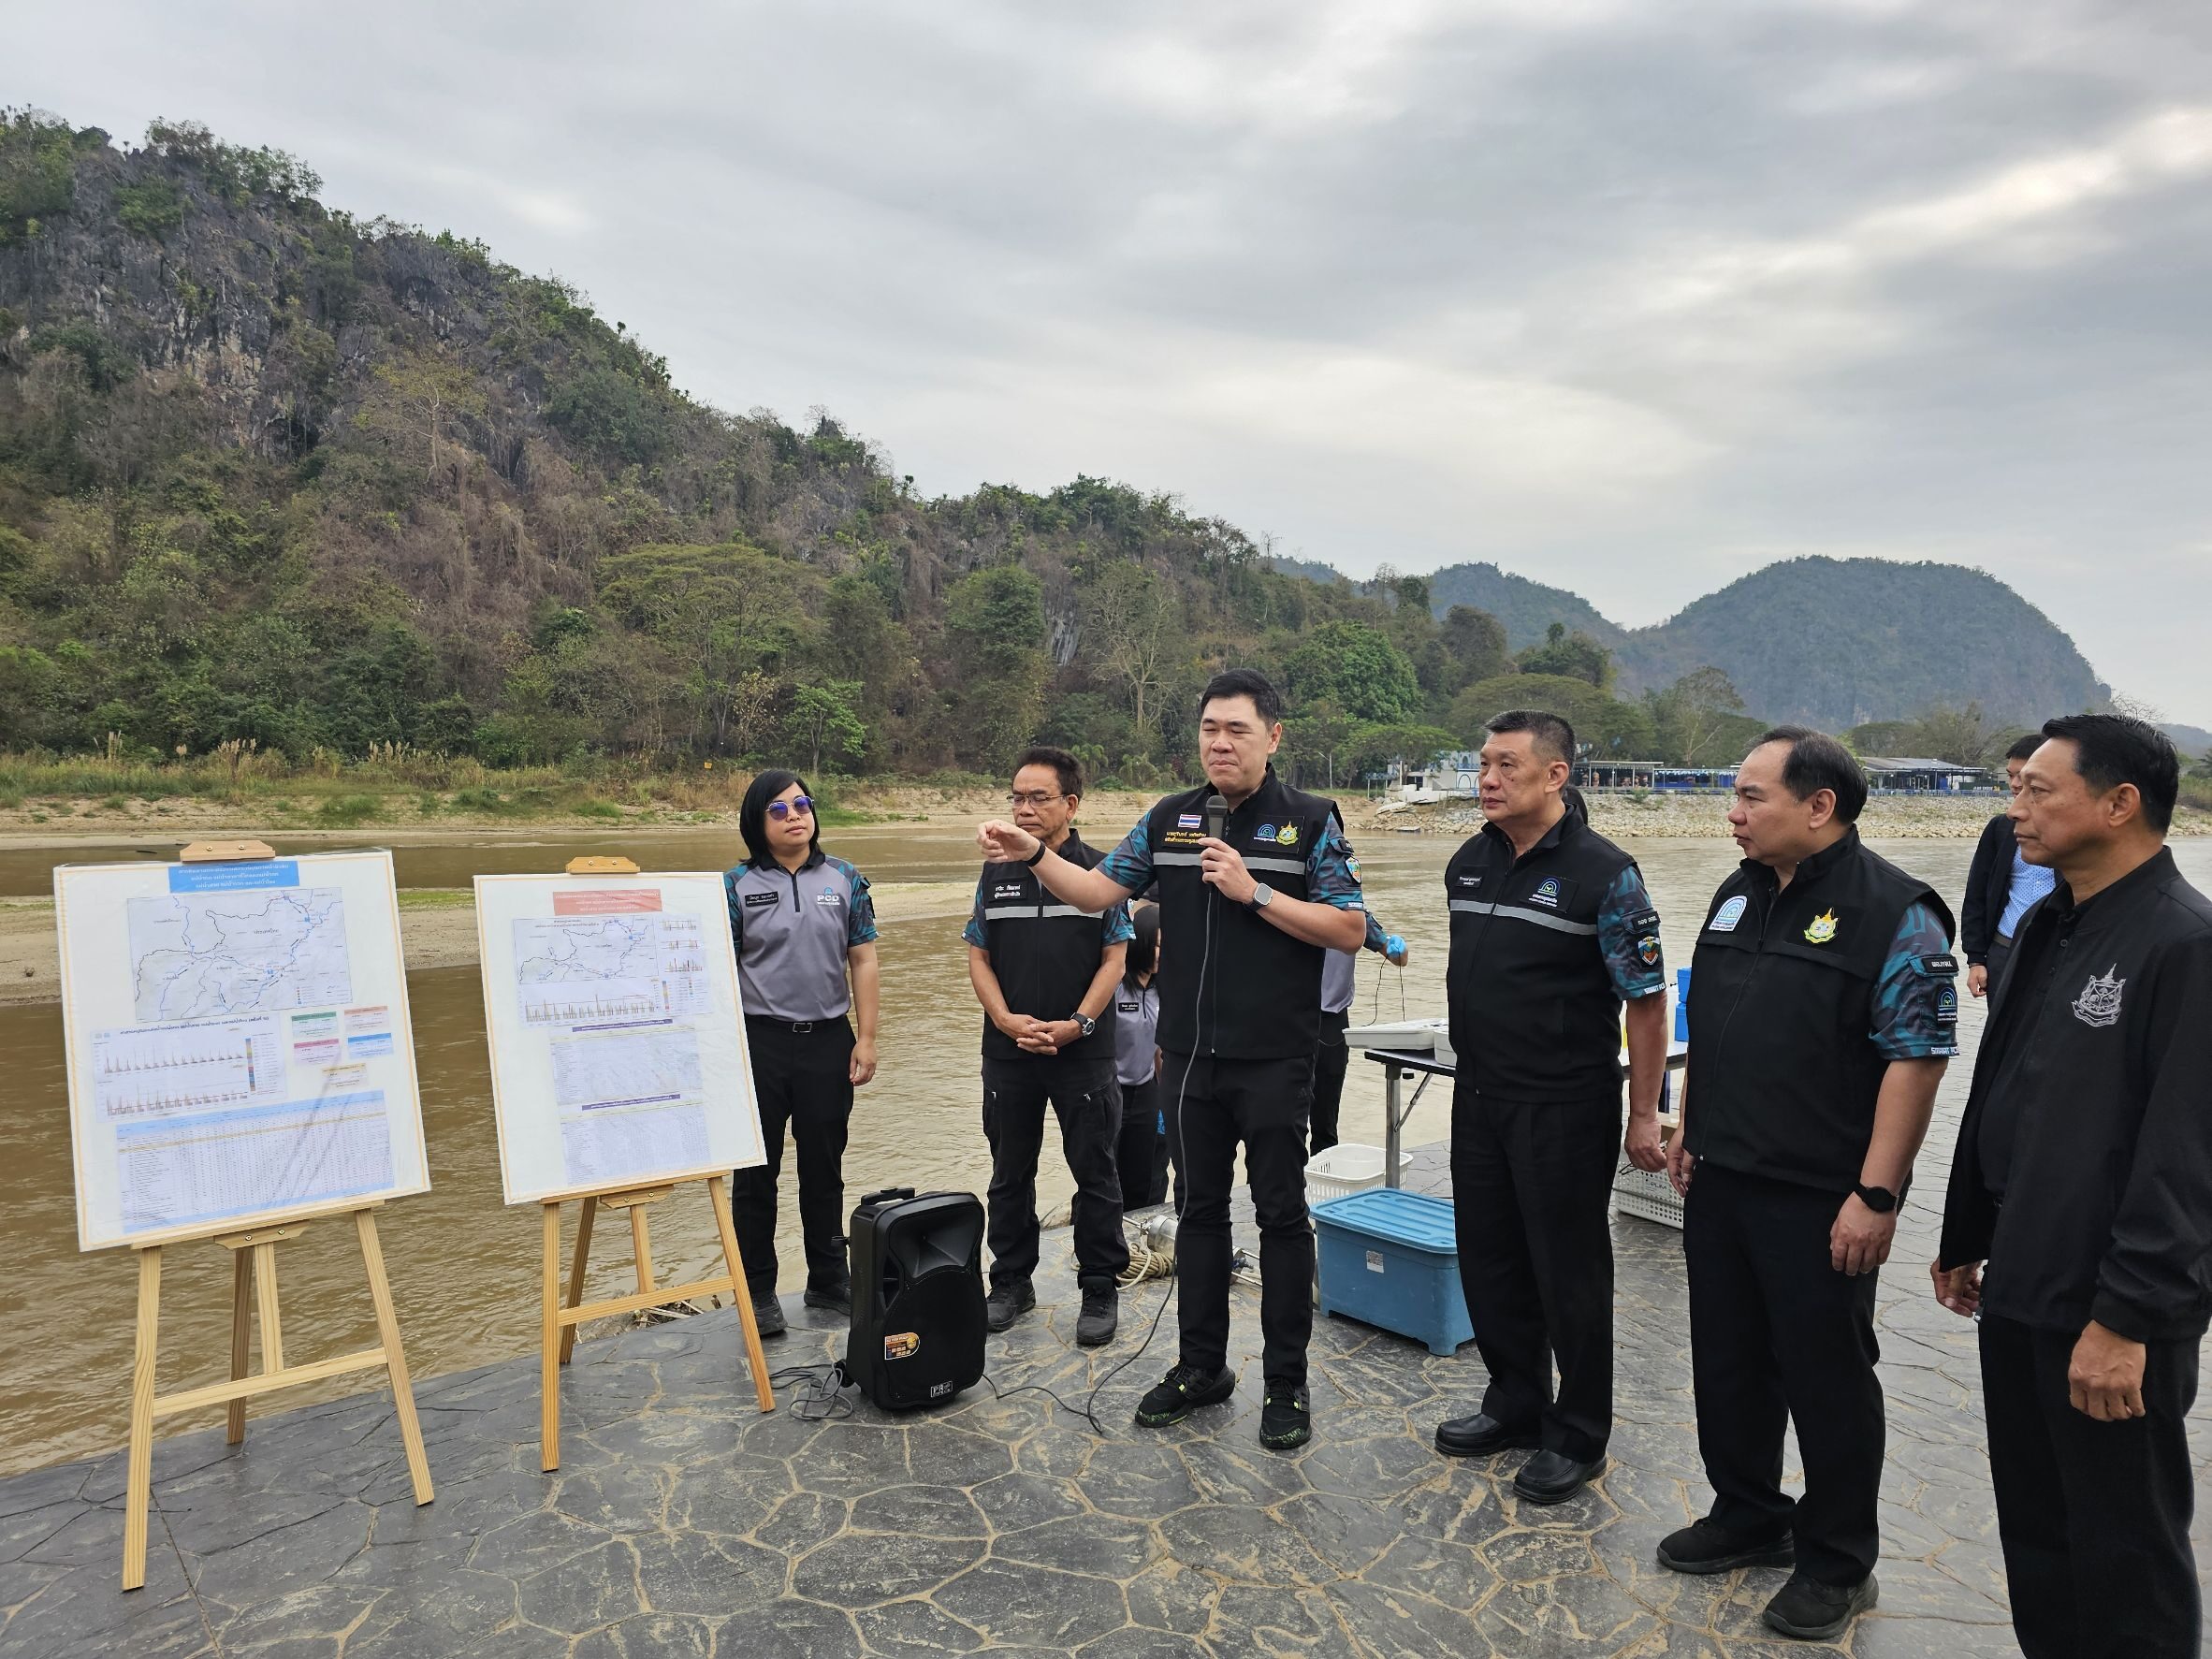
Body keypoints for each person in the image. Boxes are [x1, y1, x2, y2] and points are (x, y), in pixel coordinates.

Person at [976, 668, 1368, 1450]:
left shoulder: (1309, 820)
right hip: (1187, 1059)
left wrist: (1255, 892)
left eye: (1237, 729)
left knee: (1282, 1217)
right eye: (1209, 729)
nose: (1220, 743)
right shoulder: (1170, 819)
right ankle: (1201, 1367)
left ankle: (1285, 1383)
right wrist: (1033, 853)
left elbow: (1350, 927)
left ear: (1272, 737)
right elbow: (1095, 892)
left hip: (1276, 1057)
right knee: (1200, 1213)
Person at [1661, 727, 1958, 1643]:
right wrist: (1687, 1123)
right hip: (1722, 1178)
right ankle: (1748, 1511)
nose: (1733, 814)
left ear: (1819, 805)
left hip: (1821, 1196)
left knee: (1827, 1378)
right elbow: (1712, 1021)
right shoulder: (1737, 893)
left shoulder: (1897, 912)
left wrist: (1877, 1195)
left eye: (1752, 797)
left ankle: (1837, 1560)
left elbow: (1917, 1059)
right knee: (1729, 1361)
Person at [1932, 715, 2210, 1659]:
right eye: (2014, 788)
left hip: (2109, 1306)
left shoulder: (2184, 944)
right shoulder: (2045, 927)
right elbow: (2004, 1090)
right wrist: (1967, 1234)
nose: (2015, 809)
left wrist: (2127, 1321)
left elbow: (2188, 1159)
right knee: (2040, 1530)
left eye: (2038, 790)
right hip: (2021, 1275)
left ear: (2119, 803)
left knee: (2126, 1545)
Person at [1430, 711, 1669, 1506]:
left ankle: (1579, 1431)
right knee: (1490, 1255)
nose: (1488, 779)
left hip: (1565, 1101)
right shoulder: (1468, 863)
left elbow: (1646, 999)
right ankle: (1516, 1400)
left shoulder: (1606, 873)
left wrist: (1643, 1111)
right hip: (1480, 1094)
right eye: (1483, 764)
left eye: (1506, 765)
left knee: (1568, 1270)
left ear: (1556, 774)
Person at [964, 747, 1133, 1345]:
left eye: (1039, 797)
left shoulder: (1100, 871)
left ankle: (1100, 1286)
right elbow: (978, 955)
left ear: (1071, 804)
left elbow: (1115, 958)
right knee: (1009, 1172)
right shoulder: (995, 872)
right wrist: (1005, 1019)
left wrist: (1079, 1024)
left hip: (1082, 1051)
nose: (1024, 809)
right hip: (1008, 1051)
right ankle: (1011, 1281)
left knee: (1096, 1171)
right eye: (1017, 797)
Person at [723, 771, 880, 1338]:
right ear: (756, 821)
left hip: (828, 1041)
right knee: (755, 1174)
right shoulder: (735, 885)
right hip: (758, 1043)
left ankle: (828, 1279)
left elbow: (863, 958)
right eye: (779, 809)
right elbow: (718, 969)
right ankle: (758, 1291)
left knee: (824, 1166)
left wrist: (867, 1037)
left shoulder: (844, 877)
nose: (795, 816)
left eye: (802, 805)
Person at [1310, 862, 1408, 1160]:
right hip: (1287, 1019)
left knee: (1326, 1120)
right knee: (1285, 1120)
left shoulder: (1355, 916)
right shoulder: (1289, 905)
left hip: (1332, 1022)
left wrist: (1396, 947)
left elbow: (1399, 957)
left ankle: (1325, 1177)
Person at [1961, 732, 2059, 997]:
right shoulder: (2001, 828)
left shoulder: (2070, 830)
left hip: (2056, 952)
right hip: (2003, 950)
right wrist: (1976, 959)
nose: (2015, 784)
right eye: (2011, 775)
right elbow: (1976, 894)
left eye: (2024, 776)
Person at [1112, 903, 1169, 1212]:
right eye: (1158, 945)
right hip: (1112, 1090)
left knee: (1143, 1175)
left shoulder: (1165, 990)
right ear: (1142, 942)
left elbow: (1160, 1050)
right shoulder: (1116, 986)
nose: (1162, 953)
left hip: (1146, 1091)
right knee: (1105, 1174)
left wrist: (1167, 1100)